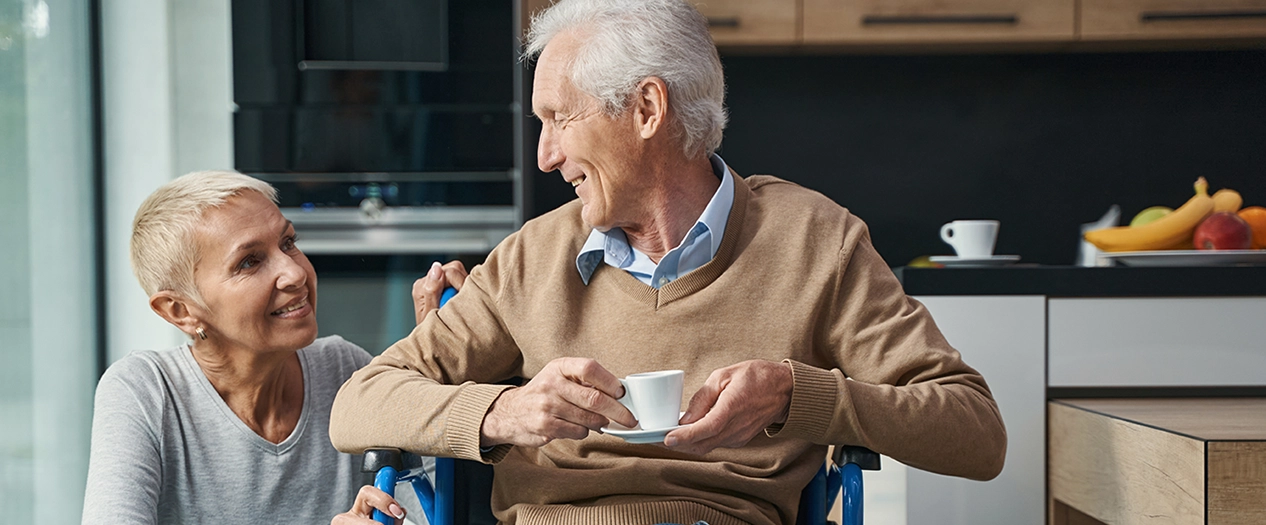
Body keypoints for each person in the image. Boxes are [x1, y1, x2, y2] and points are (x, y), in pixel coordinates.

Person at [329, 1, 1007, 524]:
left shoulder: (815, 243)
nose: (544, 155)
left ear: (646, 109)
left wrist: (796, 396)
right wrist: (508, 410)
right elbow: (356, 406)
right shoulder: (531, 259)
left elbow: (975, 432)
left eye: (560, 118)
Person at [82, 171, 445, 524]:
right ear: (180, 311)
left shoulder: (343, 369)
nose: (296, 273)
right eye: (250, 261)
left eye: (288, 242)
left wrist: (436, 353)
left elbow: (438, 510)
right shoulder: (145, 392)